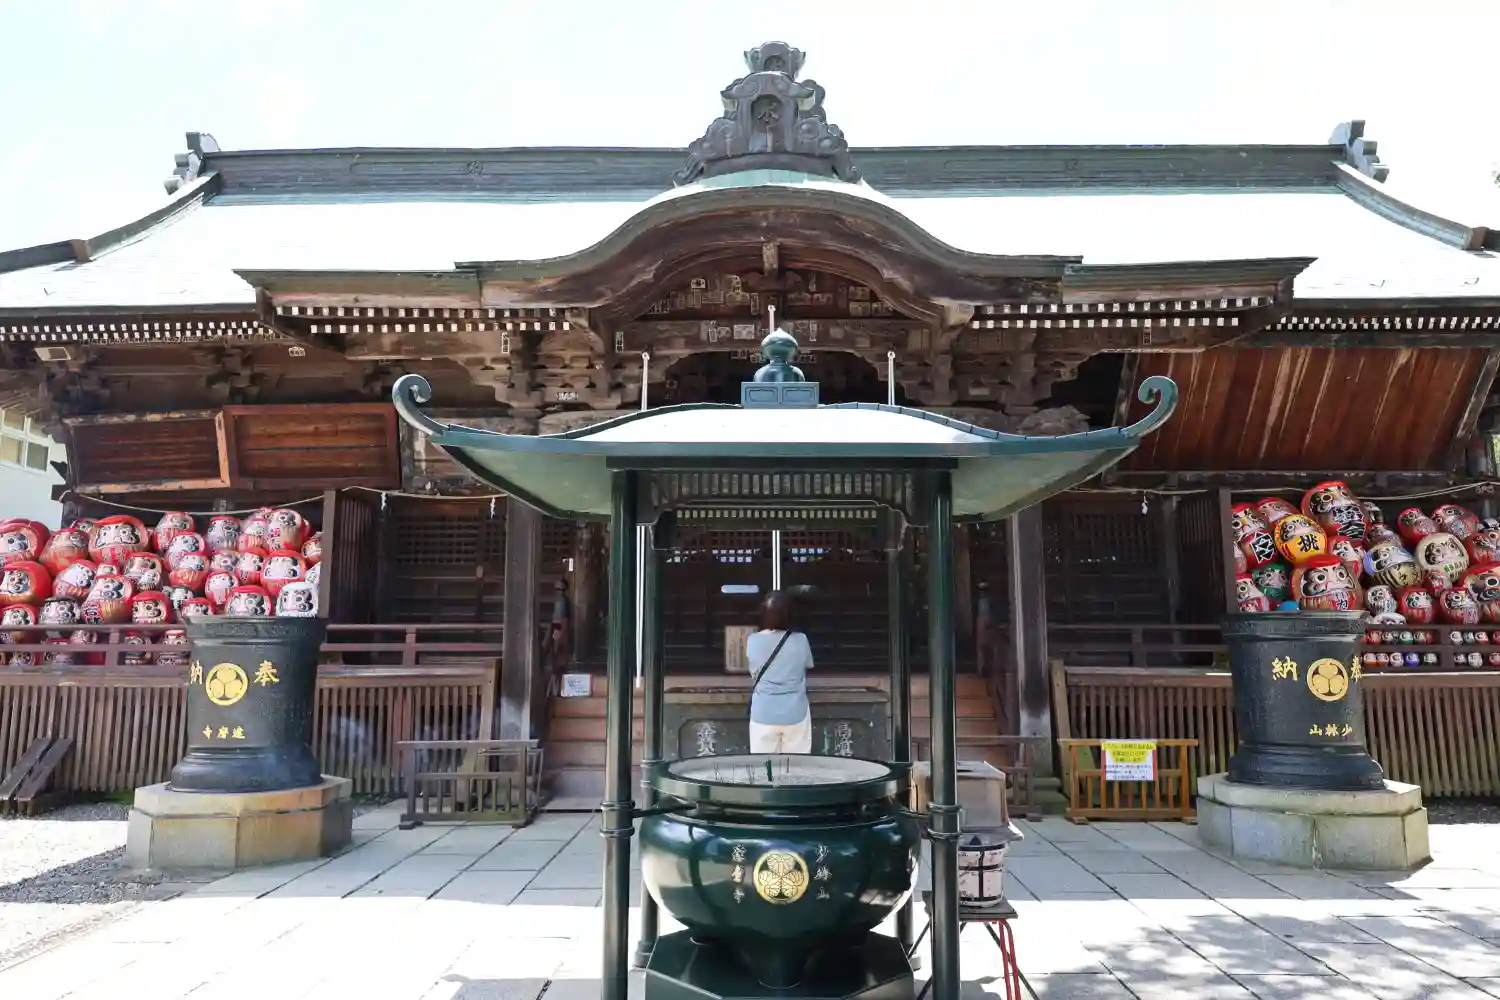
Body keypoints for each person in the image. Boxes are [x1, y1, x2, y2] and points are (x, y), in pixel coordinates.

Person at [746, 590, 815, 754]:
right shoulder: (801, 639)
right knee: (796, 763)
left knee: (765, 764)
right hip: (795, 712)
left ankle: (769, 773)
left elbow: (753, 672)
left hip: (763, 712)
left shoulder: (753, 640)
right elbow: (808, 664)